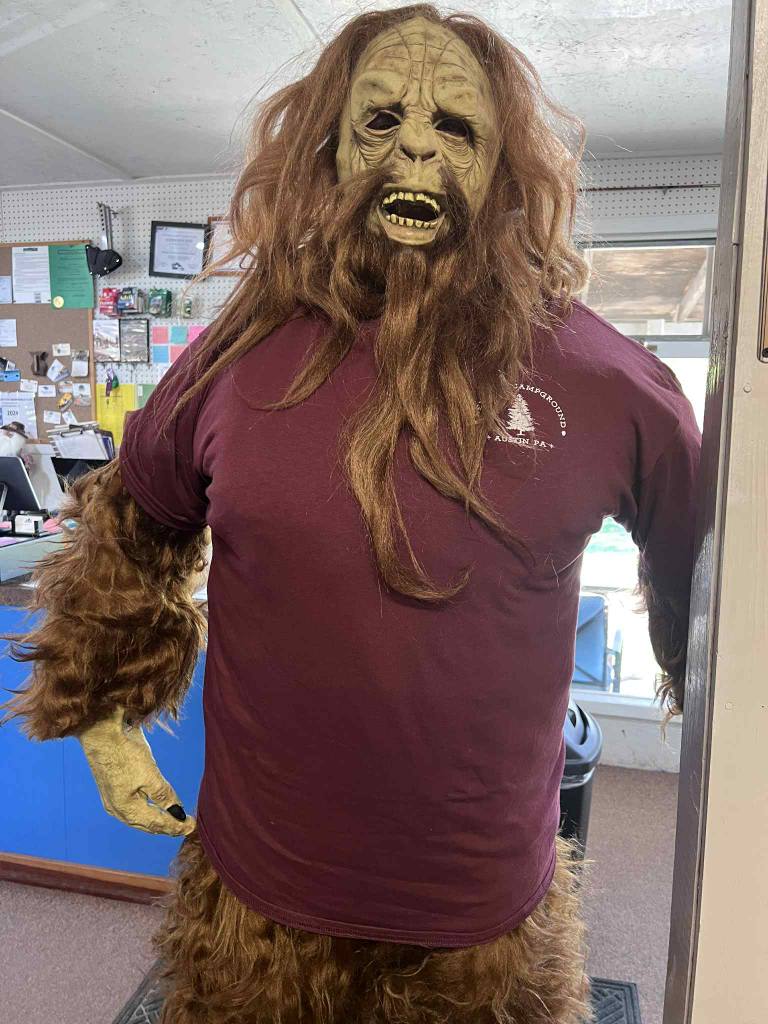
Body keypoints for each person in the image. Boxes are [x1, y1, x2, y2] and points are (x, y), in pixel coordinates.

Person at [2, 6, 701, 1022]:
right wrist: (104, 721)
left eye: (454, 125)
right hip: (258, 899)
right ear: (328, 146)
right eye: (381, 120)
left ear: (505, 164)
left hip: (483, 915)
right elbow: (130, 528)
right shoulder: (236, 357)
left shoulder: (612, 383)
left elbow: (707, 594)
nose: (415, 148)